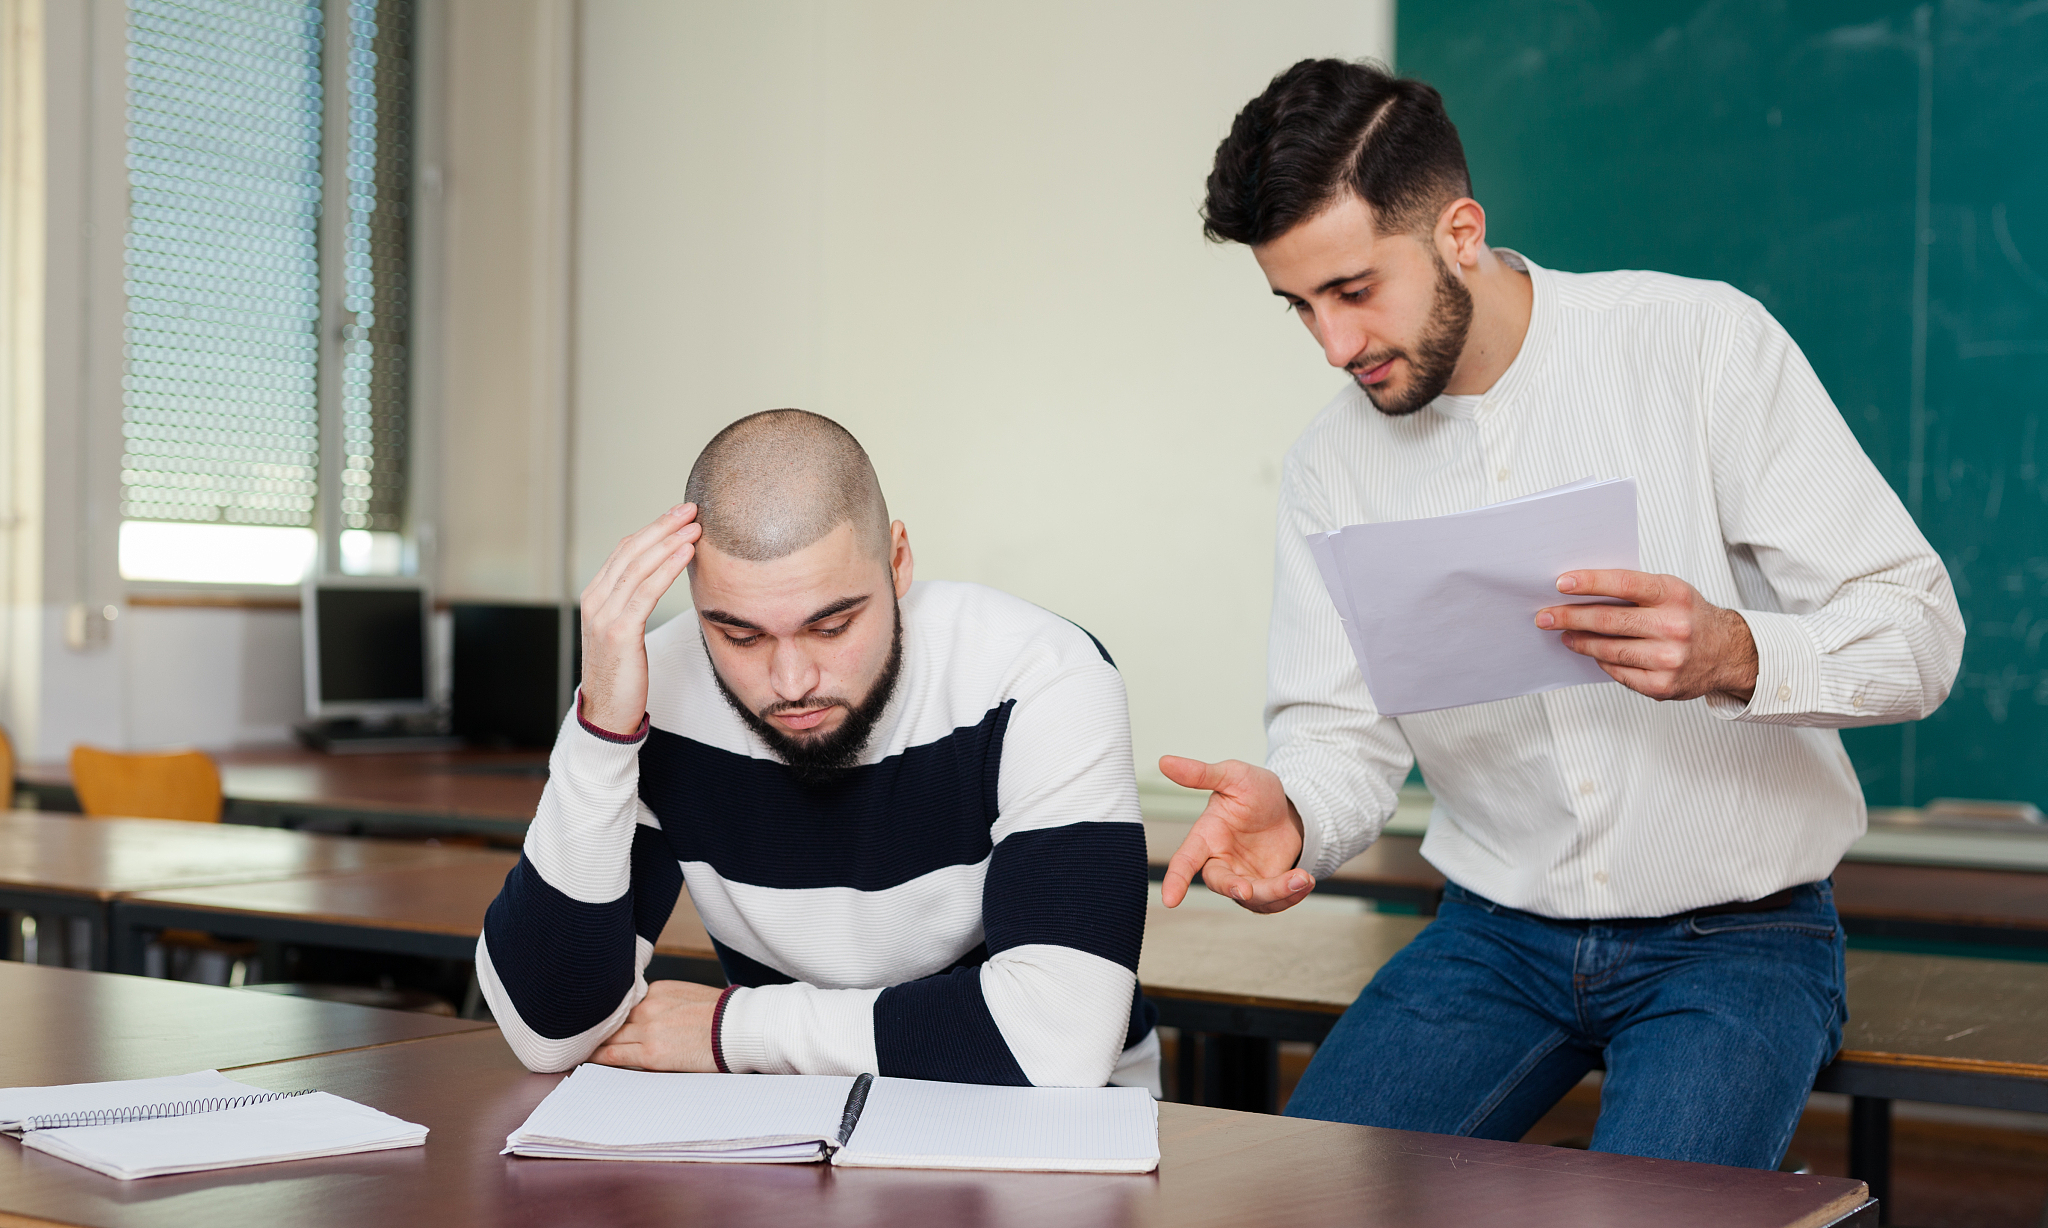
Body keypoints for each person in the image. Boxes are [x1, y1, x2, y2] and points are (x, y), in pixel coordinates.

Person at [1160, 59, 1963, 1168]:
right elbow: (1339, 736)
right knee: (1302, 1193)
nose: (1333, 347)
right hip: (1490, 936)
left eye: (1352, 290)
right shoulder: (1328, 467)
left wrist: (1736, 652)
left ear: (1458, 231)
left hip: (1739, 938)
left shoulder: (1698, 346)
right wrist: (1293, 807)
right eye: (1297, 307)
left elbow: (1919, 633)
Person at [479, 408, 1157, 1092]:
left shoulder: (1042, 675)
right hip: (793, 1123)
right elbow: (548, 1033)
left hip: (1045, 1132)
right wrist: (602, 732)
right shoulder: (662, 685)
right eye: (739, 636)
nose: (792, 682)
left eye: (831, 626)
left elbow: (1057, 1043)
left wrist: (732, 1031)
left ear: (898, 562)